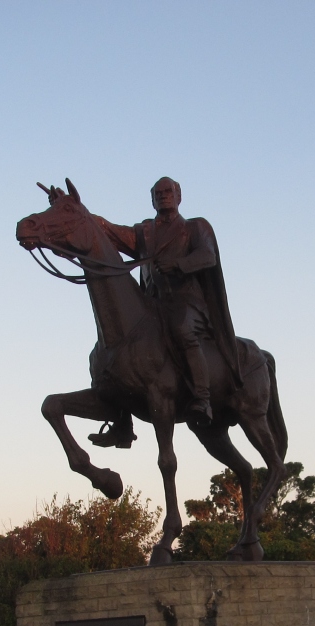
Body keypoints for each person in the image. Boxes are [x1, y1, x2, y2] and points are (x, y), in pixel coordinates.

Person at [88, 177, 242, 448]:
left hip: (187, 304)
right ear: (152, 200)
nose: (163, 196)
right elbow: (109, 231)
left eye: (167, 192)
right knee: (118, 350)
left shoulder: (195, 227)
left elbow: (207, 256)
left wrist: (180, 264)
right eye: (157, 194)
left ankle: (202, 398)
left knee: (182, 329)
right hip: (154, 306)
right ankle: (122, 424)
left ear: (178, 196)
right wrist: (79, 213)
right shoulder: (144, 232)